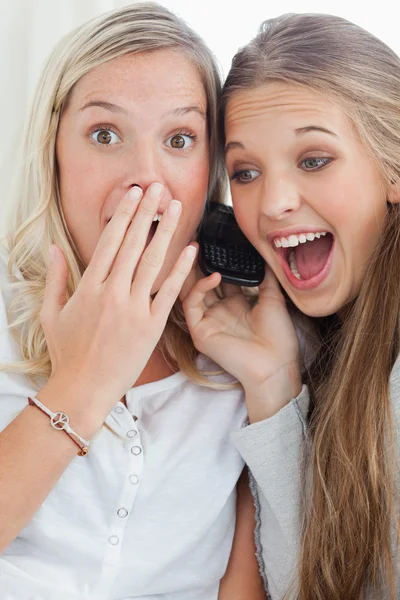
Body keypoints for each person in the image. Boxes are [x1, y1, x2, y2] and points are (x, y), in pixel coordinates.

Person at [0, 4, 265, 599]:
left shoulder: (249, 339)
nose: (147, 178)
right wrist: (82, 384)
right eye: (104, 134)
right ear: (54, 153)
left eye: (179, 139)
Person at [182, 13, 400, 600]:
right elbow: (319, 584)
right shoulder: (329, 344)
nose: (274, 203)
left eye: (313, 160)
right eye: (246, 173)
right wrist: (271, 383)